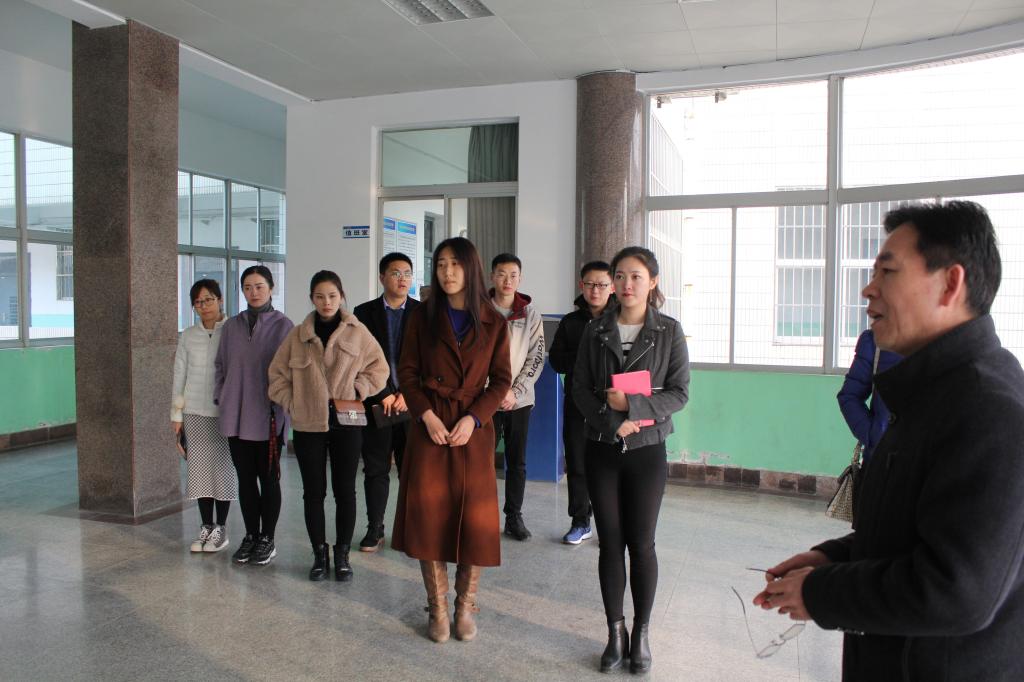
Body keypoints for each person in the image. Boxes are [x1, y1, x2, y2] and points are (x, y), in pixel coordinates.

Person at [754, 201, 1024, 680]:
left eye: (888, 271)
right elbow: (914, 532)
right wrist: (834, 557)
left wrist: (822, 593)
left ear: (950, 283)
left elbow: (956, 591)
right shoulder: (930, 393)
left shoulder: (989, 409)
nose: (868, 289)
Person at [572, 246, 690, 674]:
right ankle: (615, 631)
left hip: (647, 451)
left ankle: (641, 634)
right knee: (610, 543)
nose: (626, 284)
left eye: (636, 276)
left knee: (641, 544)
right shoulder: (596, 329)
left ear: (652, 281)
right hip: (602, 448)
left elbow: (679, 393)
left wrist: (633, 409)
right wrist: (611, 421)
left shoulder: (668, 331)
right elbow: (579, 388)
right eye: (620, 276)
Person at [391, 237, 512, 644]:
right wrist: (424, 415)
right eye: (441, 264)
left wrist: (475, 419)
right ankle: (438, 607)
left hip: (472, 431)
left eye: (455, 264)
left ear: (471, 268)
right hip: (430, 427)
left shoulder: (493, 320)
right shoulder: (421, 316)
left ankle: (465, 605)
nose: (447, 272)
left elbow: (501, 380)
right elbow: (407, 373)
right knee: (429, 518)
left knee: (474, 521)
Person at [269, 271, 388, 581]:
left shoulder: (357, 332)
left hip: (347, 423)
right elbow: (276, 376)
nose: (326, 302)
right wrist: (292, 402)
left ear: (341, 297)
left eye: (332, 296)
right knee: (313, 493)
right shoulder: (298, 336)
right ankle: (319, 555)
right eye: (320, 296)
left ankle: (343, 555)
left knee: (345, 491)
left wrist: (359, 389)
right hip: (308, 425)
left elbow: (380, 369)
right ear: (311, 298)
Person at [214, 265, 293, 566]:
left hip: (268, 417)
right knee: (245, 480)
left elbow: (290, 372)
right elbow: (220, 366)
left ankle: (267, 539)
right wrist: (222, 396)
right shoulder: (231, 327)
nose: (253, 292)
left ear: (271, 288)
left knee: (269, 479)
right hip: (235, 416)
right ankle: (250, 535)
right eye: (247, 287)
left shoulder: (284, 326)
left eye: (259, 286)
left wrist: (282, 403)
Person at [352, 253, 421, 552]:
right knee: (376, 469)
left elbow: (429, 359)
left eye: (407, 273)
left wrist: (407, 393)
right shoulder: (363, 313)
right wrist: (383, 394)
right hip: (377, 404)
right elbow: (358, 360)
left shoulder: (423, 312)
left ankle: (410, 529)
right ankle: (375, 528)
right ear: (382, 277)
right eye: (395, 273)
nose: (402, 279)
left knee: (412, 471)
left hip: (411, 405)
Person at [548, 260, 615, 545]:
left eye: (601, 284)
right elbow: (556, 361)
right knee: (577, 462)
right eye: (590, 284)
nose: (595, 290)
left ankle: (612, 526)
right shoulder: (571, 322)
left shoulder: (620, 320)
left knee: (611, 466)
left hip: (613, 405)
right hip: (577, 403)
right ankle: (580, 521)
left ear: (612, 287)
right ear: (581, 286)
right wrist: (584, 356)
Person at [171, 279, 236, 554]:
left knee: (222, 469)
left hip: (224, 412)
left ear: (220, 300)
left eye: (208, 299)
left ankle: (221, 528)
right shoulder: (188, 335)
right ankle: (206, 526)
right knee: (198, 471)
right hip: (194, 412)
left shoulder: (232, 330)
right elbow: (179, 373)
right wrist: (176, 414)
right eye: (198, 302)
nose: (204, 306)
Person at [489, 253, 545, 541]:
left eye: (513, 275)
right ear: (492, 277)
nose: (507, 280)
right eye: (501, 274)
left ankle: (514, 517)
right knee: (481, 461)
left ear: (520, 278)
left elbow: (536, 357)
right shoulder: (479, 309)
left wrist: (515, 391)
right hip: (485, 400)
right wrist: (492, 392)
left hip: (519, 400)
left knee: (517, 461)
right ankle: (482, 515)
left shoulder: (530, 314)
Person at [837, 329, 900, 463]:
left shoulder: (943, 340)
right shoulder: (875, 340)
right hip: (881, 462)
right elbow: (850, 395)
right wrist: (874, 436)